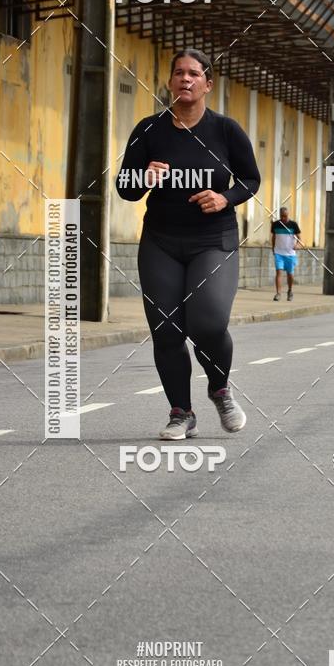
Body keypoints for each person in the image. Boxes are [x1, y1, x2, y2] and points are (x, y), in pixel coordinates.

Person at [116, 48, 261, 439]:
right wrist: (142, 177)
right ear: (169, 81)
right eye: (178, 73)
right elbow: (124, 188)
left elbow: (251, 180)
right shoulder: (149, 130)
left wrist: (225, 198)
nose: (185, 79)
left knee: (208, 323)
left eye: (194, 73)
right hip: (161, 241)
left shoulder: (226, 130)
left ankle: (220, 389)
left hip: (213, 240)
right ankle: (181, 412)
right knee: (167, 331)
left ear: (207, 84)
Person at [271, 207, 301, 301]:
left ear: (288, 215)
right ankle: (278, 293)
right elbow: (274, 237)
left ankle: (290, 290)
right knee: (279, 272)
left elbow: (299, 238)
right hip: (279, 252)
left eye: (286, 216)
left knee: (290, 274)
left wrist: (297, 245)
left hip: (290, 254)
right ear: (280, 216)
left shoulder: (293, 225)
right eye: (282, 216)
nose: (284, 218)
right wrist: (273, 248)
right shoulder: (276, 224)